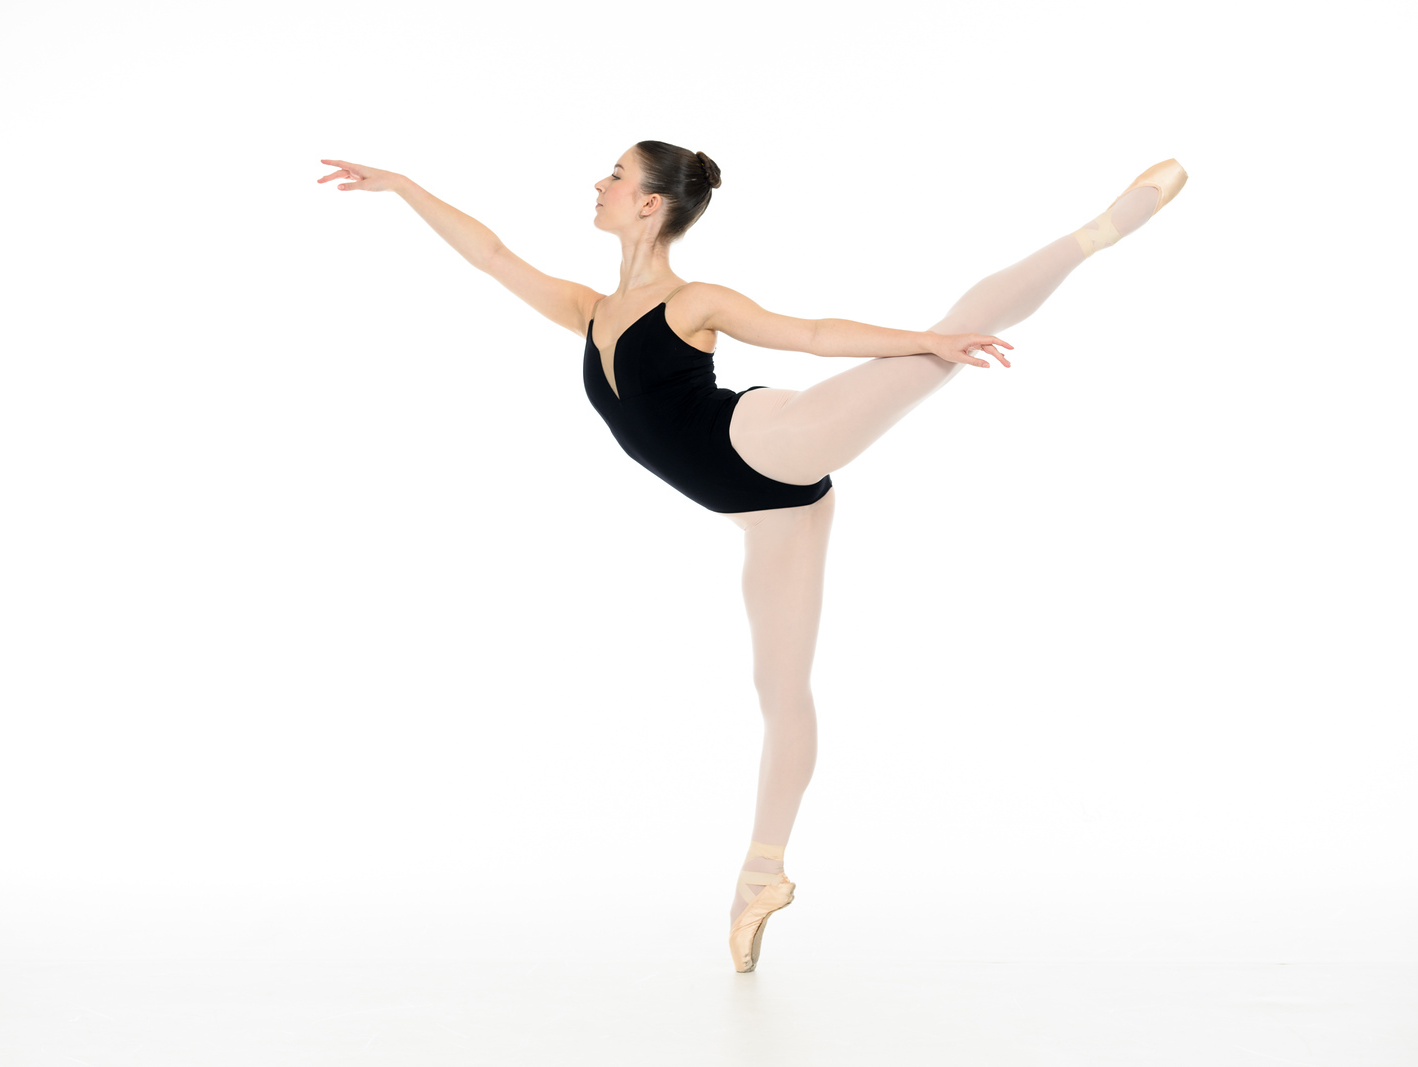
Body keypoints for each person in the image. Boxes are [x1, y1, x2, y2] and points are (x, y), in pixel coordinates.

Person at [316, 143, 1187, 972]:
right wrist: (403, 186)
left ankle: (1105, 225)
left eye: (613, 175)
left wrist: (923, 347)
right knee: (779, 692)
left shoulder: (693, 302)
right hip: (767, 512)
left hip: (770, 443)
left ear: (649, 204)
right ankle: (760, 877)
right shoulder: (586, 309)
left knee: (949, 336)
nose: (599, 185)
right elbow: (492, 253)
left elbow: (807, 331)